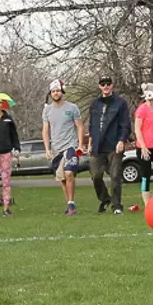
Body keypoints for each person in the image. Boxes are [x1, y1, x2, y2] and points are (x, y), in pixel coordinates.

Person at [87, 76, 132, 214]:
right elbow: (92, 126)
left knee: (115, 176)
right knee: (96, 176)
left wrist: (121, 140)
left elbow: (125, 125)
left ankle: (116, 206)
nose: (105, 86)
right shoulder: (95, 104)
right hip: (97, 147)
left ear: (112, 85)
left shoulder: (120, 103)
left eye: (108, 83)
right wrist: (90, 143)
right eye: (102, 84)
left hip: (114, 145)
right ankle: (105, 199)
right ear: (99, 86)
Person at [43, 79, 87, 215]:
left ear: (62, 91)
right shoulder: (47, 110)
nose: (56, 93)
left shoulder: (72, 108)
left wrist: (80, 145)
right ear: (50, 93)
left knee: (69, 173)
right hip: (56, 148)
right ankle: (70, 204)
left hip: (71, 146)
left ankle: (71, 203)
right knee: (62, 178)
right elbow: (45, 130)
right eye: (53, 91)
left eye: (58, 90)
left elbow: (79, 126)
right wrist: (47, 149)